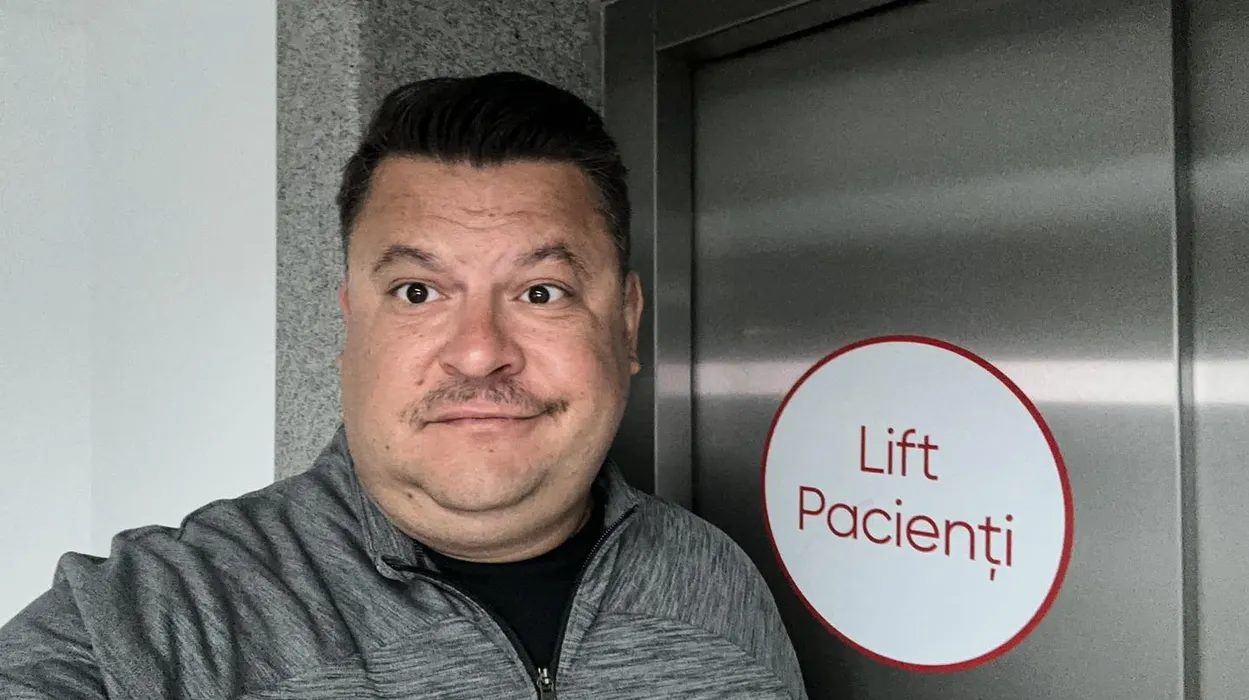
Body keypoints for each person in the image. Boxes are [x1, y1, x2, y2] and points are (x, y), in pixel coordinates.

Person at [0, 71, 807, 699]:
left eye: (541, 292)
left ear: (625, 325)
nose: (479, 354)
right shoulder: (161, 619)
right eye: (418, 292)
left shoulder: (713, 578)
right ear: (352, 325)